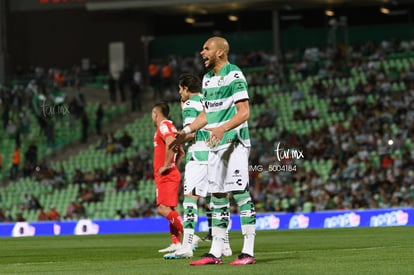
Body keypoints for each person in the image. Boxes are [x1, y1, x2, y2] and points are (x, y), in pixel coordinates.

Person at [171, 36, 257, 265]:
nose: (201, 52)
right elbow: (206, 115)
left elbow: (244, 112)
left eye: (206, 48)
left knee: (240, 193)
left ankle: (248, 251)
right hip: (216, 144)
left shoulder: (234, 74)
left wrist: (223, 128)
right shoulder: (207, 80)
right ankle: (215, 252)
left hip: (235, 142)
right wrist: (186, 130)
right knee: (217, 196)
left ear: (220, 52)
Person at [164, 73, 231, 260]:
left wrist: (176, 141)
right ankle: (224, 245)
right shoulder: (206, 100)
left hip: (198, 155)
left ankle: (186, 245)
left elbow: (191, 133)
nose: (179, 93)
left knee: (190, 201)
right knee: (216, 200)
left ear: (186, 88)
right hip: (215, 152)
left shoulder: (190, 104)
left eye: (180, 89)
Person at [151, 102, 185, 254]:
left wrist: (166, 165)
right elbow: (181, 152)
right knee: (170, 209)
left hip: (165, 174)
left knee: (162, 208)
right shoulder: (171, 126)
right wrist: (174, 165)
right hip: (170, 173)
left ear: (155, 113)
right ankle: (176, 243)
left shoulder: (163, 126)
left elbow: (171, 143)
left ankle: (190, 235)